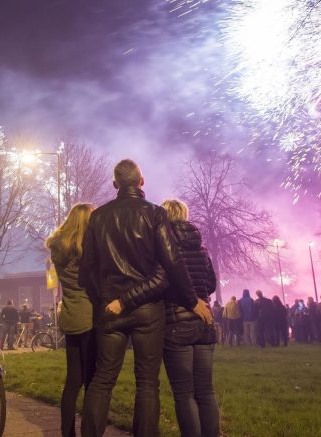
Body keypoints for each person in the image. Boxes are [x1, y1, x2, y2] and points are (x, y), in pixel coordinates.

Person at [78, 159, 208, 437]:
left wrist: (104, 298)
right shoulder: (154, 214)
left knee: (102, 380)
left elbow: (87, 269)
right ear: (141, 181)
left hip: (110, 309)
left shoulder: (98, 218)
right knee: (147, 383)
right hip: (149, 310)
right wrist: (192, 299)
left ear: (115, 184)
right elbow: (172, 263)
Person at [159, 198, 219, 437]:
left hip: (176, 323)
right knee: (206, 391)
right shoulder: (201, 249)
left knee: (184, 392)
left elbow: (164, 284)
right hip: (204, 323)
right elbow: (211, 283)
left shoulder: (165, 248)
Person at [46, 202, 96, 437]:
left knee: (73, 380)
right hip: (89, 317)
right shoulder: (86, 248)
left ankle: (68, 433)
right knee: (91, 381)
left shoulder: (59, 249)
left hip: (70, 315)